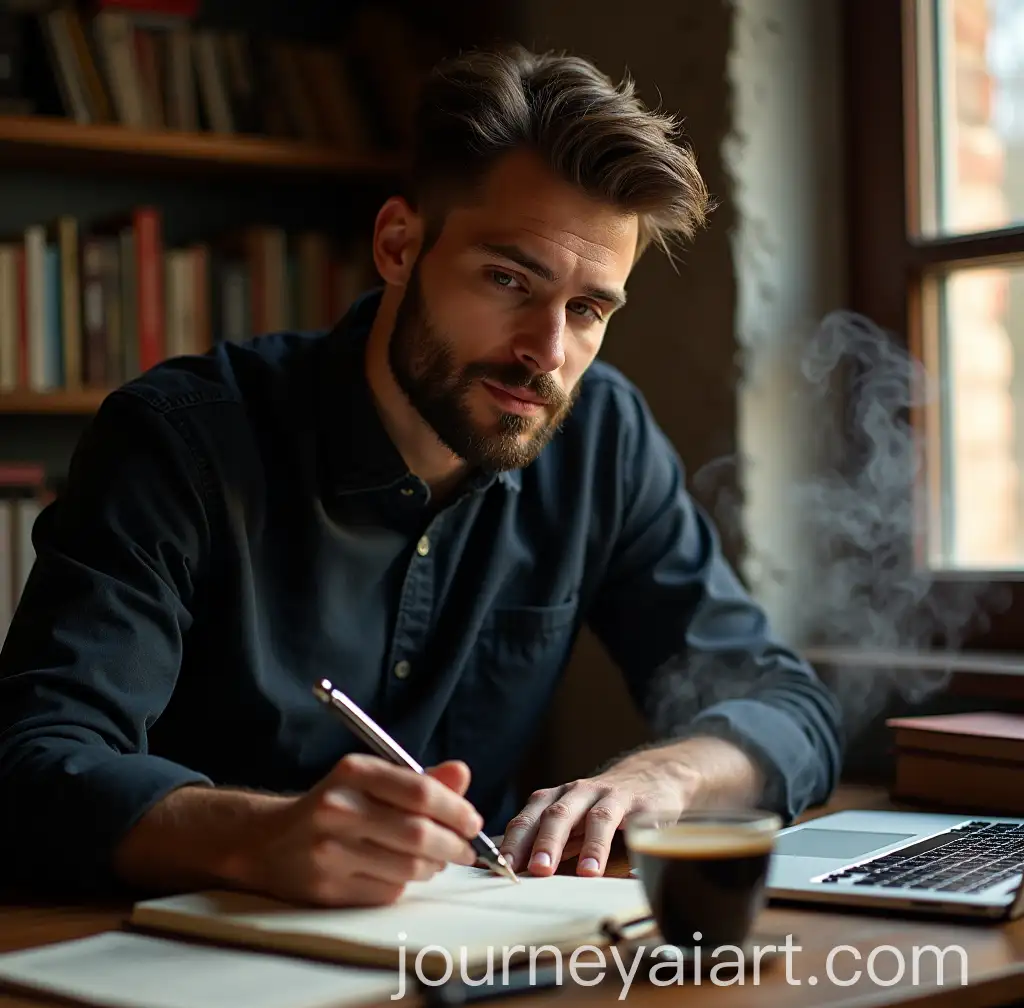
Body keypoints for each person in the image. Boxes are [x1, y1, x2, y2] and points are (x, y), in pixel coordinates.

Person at [0, 45, 842, 906]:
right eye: (509, 279)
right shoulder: (179, 441)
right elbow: (31, 762)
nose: (547, 353)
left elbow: (785, 704)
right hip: (190, 954)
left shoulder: (602, 438)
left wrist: (667, 780)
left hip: (477, 951)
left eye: (587, 309)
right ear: (399, 245)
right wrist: (256, 836)